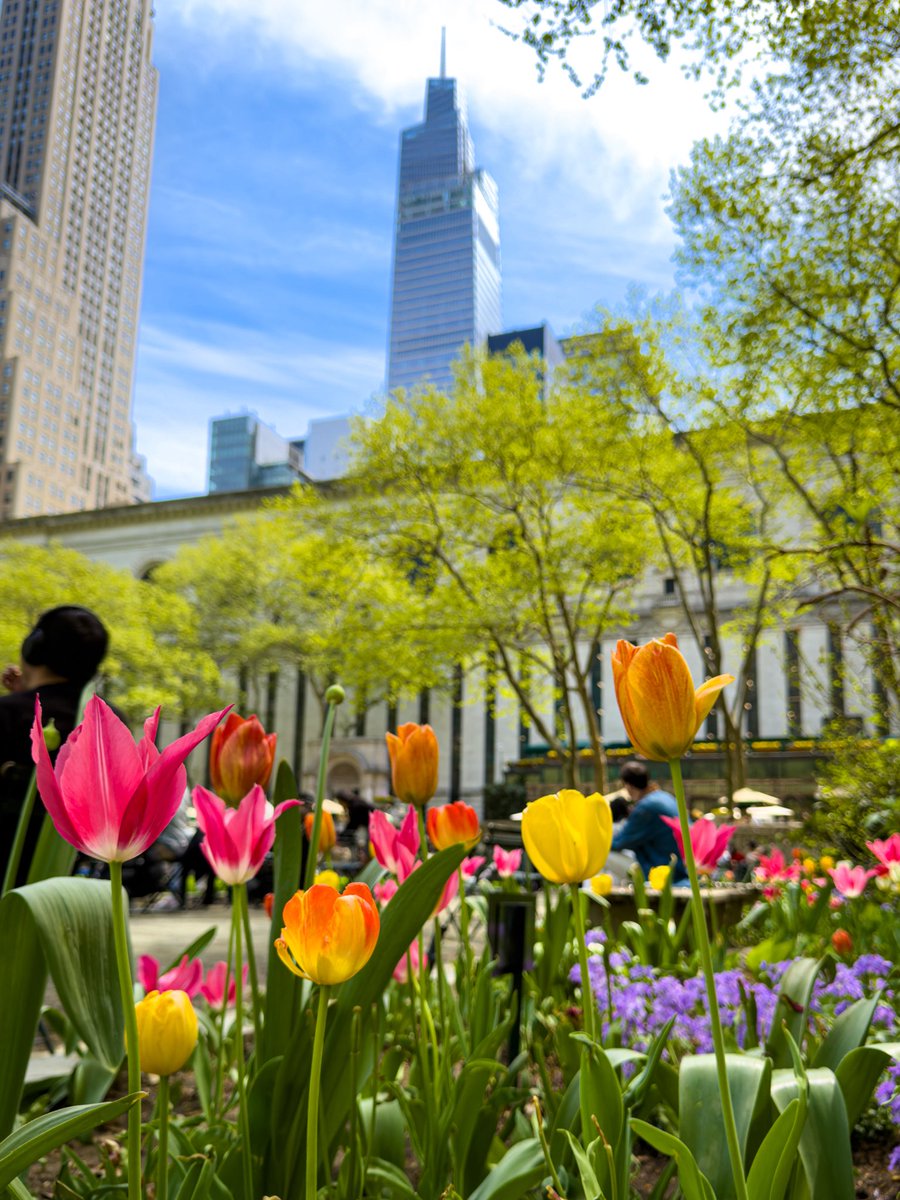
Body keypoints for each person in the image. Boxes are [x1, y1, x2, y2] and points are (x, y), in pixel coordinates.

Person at [0, 605, 109, 886]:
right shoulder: (105, 719)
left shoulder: (7, 713)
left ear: (34, 647)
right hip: (66, 876)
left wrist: (19, 700)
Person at [610, 760, 688, 883]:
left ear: (628, 786)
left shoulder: (646, 807)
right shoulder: (665, 796)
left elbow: (619, 843)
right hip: (683, 866)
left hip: (667, 871)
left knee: (602, 855)